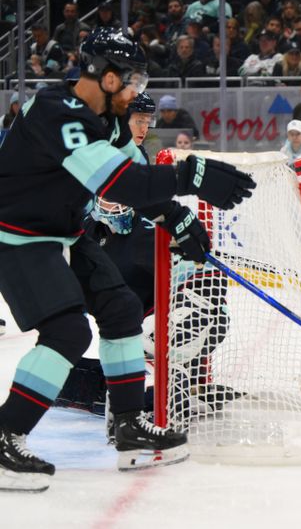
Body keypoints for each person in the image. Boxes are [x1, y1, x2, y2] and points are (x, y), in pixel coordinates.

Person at [0, 28, 255, 492]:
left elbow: (136, 182)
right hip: (16, 238)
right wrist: (189, 177)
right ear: (107, 76)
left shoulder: (110, 119)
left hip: (64, 232)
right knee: (68, 330)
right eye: (132, 79)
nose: (138, 90)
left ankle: (129, 426)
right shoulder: (56, 113)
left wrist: (176, 219)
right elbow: (115, 183)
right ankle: (5, 435)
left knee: (120, 311)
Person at [55, 92, 235, 433]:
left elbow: (203, 279)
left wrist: (198, 272)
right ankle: (138, 395)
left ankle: (183, 380)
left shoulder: (151, 221)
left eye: (146, 121)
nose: (143, 126)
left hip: (159, 317)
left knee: (187, 319)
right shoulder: (85, 229)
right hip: (127, 324)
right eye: (136, 119)